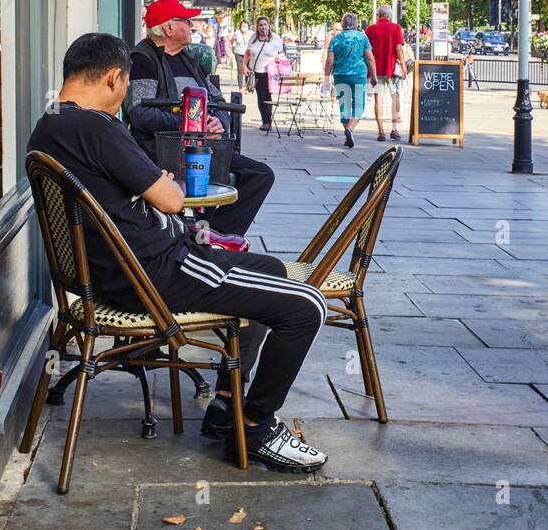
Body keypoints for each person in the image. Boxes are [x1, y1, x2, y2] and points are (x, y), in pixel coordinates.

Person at [28, 33, 328, 473]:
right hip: (158, 272)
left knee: (268, 269)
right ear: (113, 78)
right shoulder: (96, 126)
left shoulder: (50, 124)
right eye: (126, 84)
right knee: (306, 306)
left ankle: (227, 407)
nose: (125, 93)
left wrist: (154, 183)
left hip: (121, 269)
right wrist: (162, 183)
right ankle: (258, 427)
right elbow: (170, 199)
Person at [125, 0, 274, 239]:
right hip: (164, 153)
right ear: (168, 27)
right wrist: (190, 123)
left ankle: (213, 234)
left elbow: (219, 103)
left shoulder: (191, 59)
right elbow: (139, 113)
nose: (192, 25)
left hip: (202, 149)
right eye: (185, 20)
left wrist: (219, 122)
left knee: (260, 175)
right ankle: (203, 237)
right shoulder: (143, 60)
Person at [325, 12, 377, 148]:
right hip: (358, 75)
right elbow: (370, 58)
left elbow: (330, 60)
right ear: (356, 24)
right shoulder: (362, 37)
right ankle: (350, 129)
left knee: (345, 105)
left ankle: (348, 134)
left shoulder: (336, 39)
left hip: (340, 75)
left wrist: (326, 77)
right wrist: (374, 75)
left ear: (343, 24)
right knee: (359, 105)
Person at [366, 4, 406, 142]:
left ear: (379, 15)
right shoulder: (396, 28)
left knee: (379, 99)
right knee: (395, 97)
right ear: (389, 16)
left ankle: (381, 131)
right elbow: (398, 49)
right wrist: (404, 67)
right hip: (392, 69)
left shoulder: (370, 29)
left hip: (375, 69)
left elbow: (367, 51)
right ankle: (394, 128)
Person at [245, 16, 284, 132]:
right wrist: (244, 65)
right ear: (257, 27)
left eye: (265, 24)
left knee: (267, 96)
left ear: (268, 25)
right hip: (255, 71)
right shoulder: (253, 38)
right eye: (261, 25)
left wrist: (280, 59)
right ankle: (264, 120)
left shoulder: (275, 38)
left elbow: (281, 53)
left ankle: (268, 122)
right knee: (260, 97)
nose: (263, 27)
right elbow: (248, 53)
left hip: (269, 72)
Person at [232, 20, 252, 91]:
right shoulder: (237, 33)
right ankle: (240, 87)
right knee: (240, 70)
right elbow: (232, 41)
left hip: (249, 54)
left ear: (248, 26)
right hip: (238, 53)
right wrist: (232, 49)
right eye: (242, 26)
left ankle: (247, 87)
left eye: (245, 26)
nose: (244, 27)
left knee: (248, 70)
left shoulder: (251, 33)